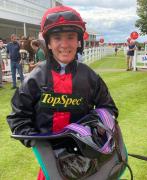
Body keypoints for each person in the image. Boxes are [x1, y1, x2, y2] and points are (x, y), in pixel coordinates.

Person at [6, 6, 119, 180]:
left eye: (70, 37)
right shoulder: (34, 79)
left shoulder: (90, 77)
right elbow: (18, 117)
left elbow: (109, 110)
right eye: (57, 38)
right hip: (51, 165)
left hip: (86, 162)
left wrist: (93, 130)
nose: (64, 44)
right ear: (49, 43)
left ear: (78, 41)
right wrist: (39, 144)